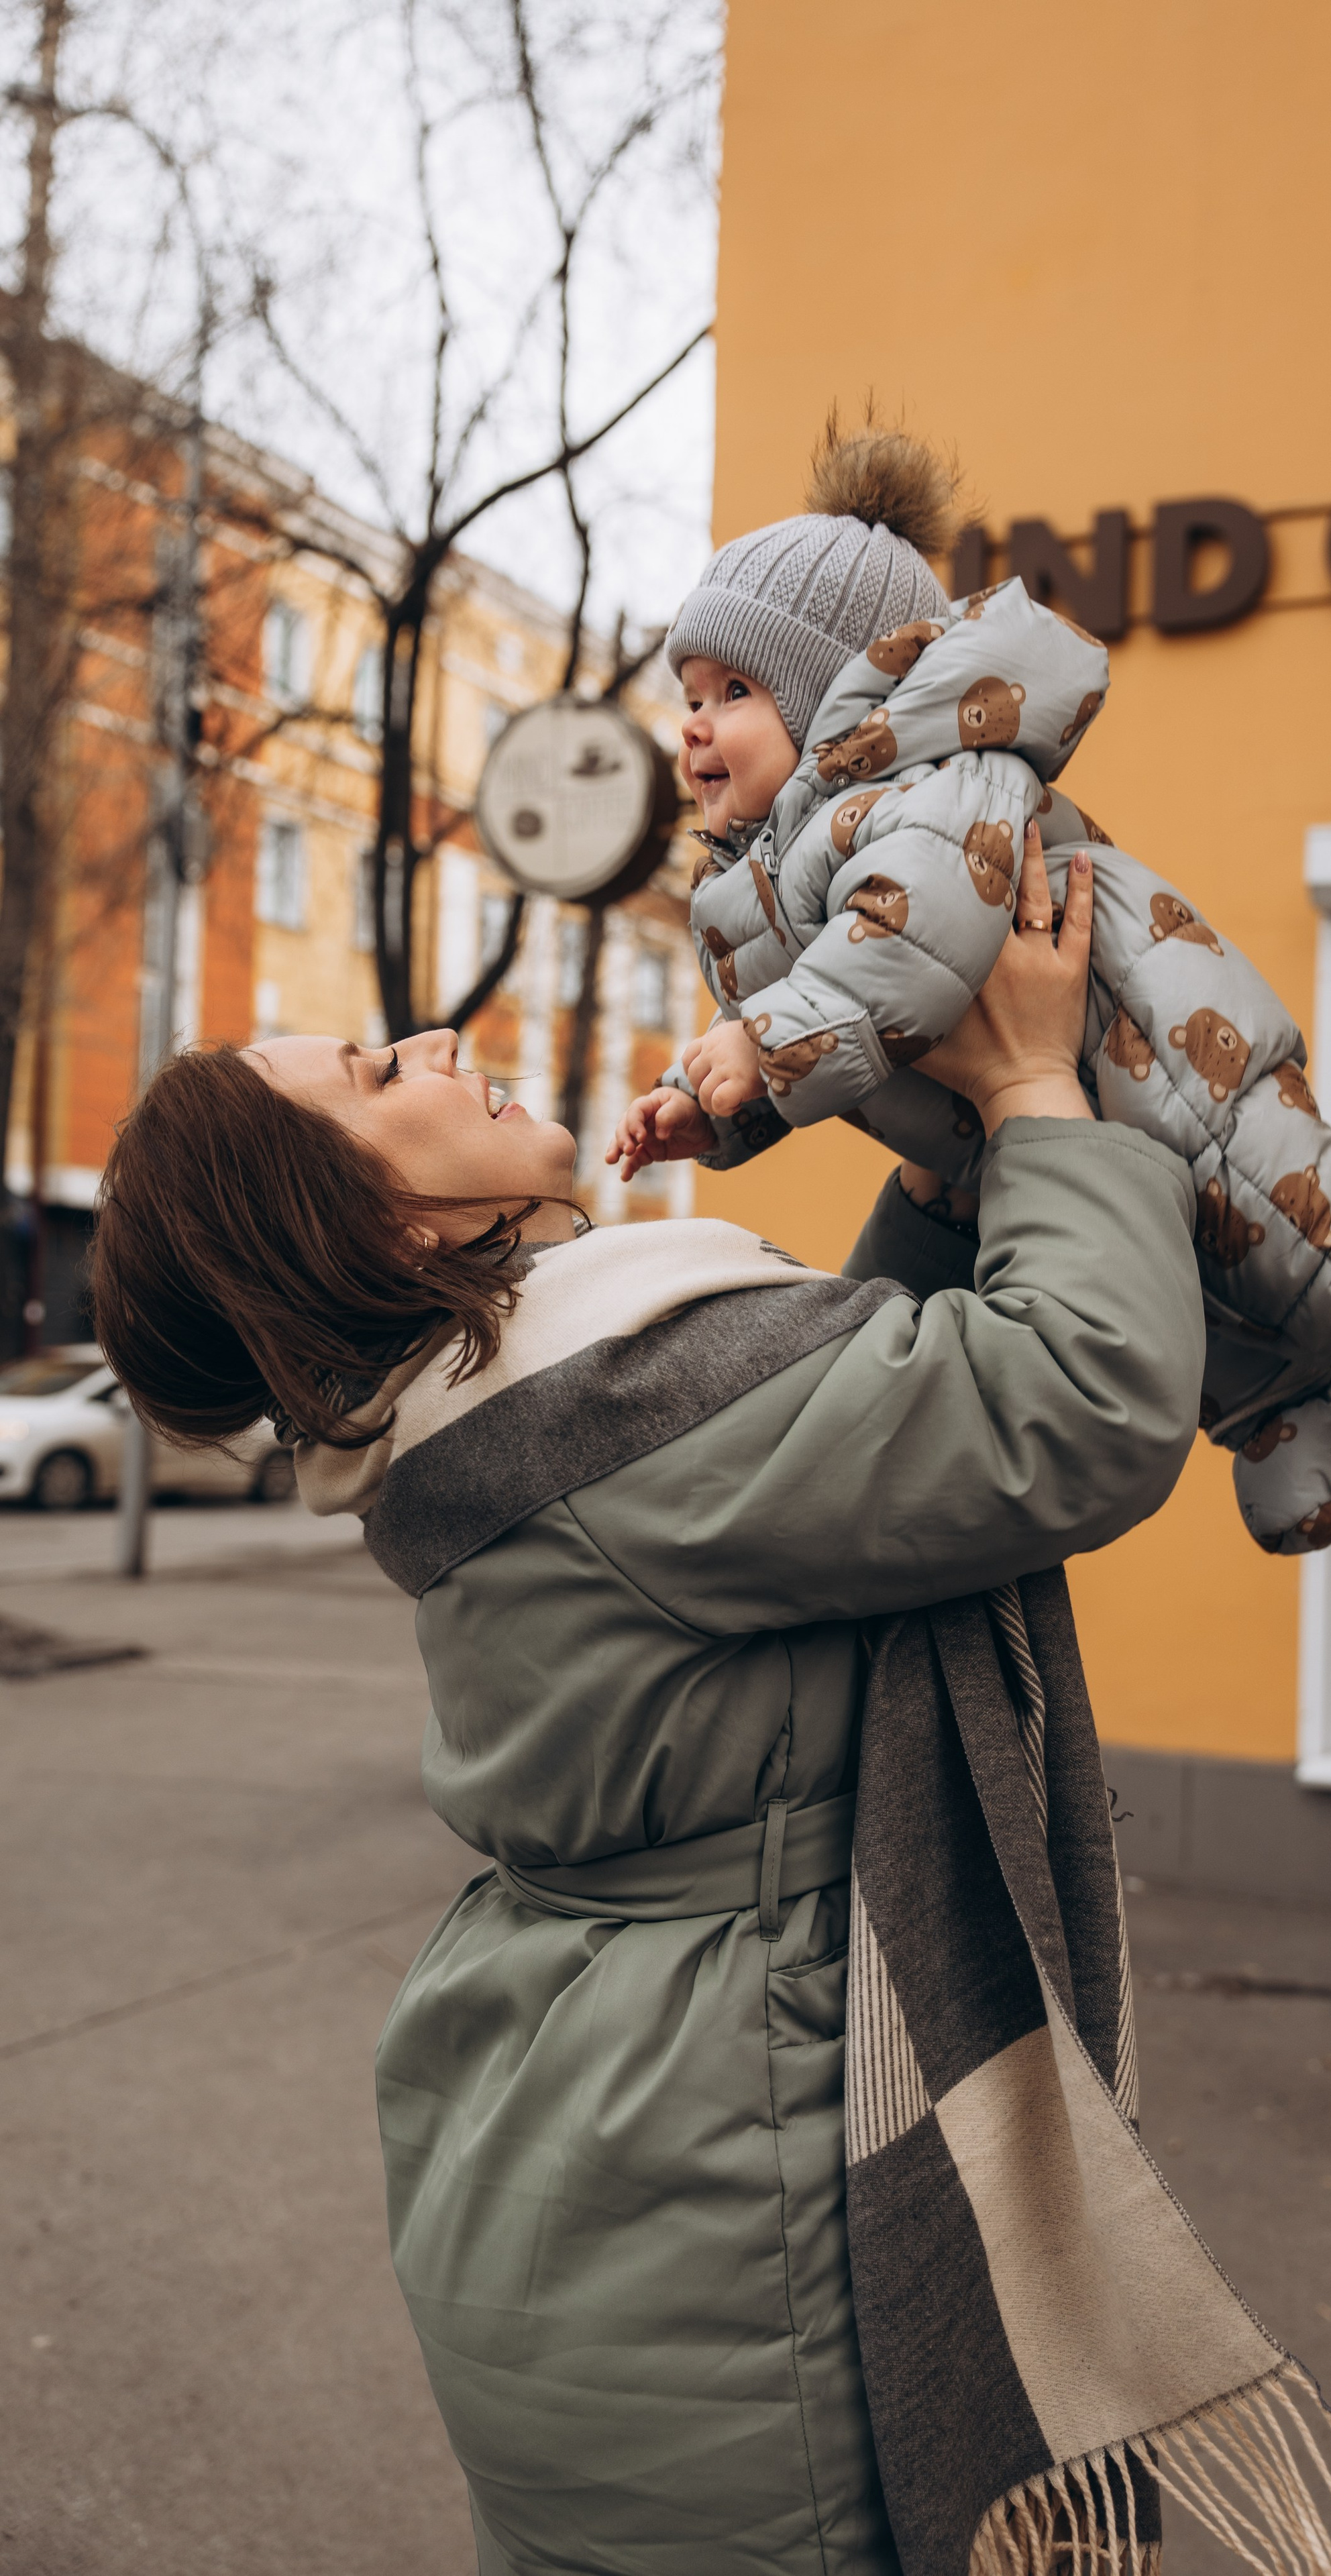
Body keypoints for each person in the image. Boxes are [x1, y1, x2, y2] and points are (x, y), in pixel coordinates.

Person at [88, 839, 1206, 2576]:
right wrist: (1041, 1087)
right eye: (383, 1075)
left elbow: (846, 1421)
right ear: (389, 1222)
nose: (437, 1041)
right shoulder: (606, 1407)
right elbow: (1075, 1398)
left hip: (598, 2156)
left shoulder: (527, 1402)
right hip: (722, 2191)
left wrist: (943, 1169)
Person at [611, 419, 1331, 1560]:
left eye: (732, 689)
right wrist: (716, 1099)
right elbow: (833, 1011)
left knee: (1312, 1252)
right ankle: (1303, 1424)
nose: (693, 722)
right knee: (1180, 1301)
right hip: (1033, 1133)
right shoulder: (757, 886)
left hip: (1171, 1060)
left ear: (836, 704)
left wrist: (762, 1040)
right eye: (687, 690)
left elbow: (918, 934)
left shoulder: (927, 787)